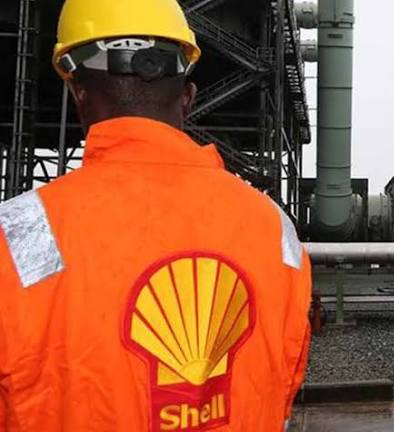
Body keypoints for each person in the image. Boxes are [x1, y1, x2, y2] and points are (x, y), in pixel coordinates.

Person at [0, 0, 311, 430]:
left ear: (78, 93)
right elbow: (285, 381)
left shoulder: (17, 233)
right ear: (188, 98)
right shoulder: (274, 228)